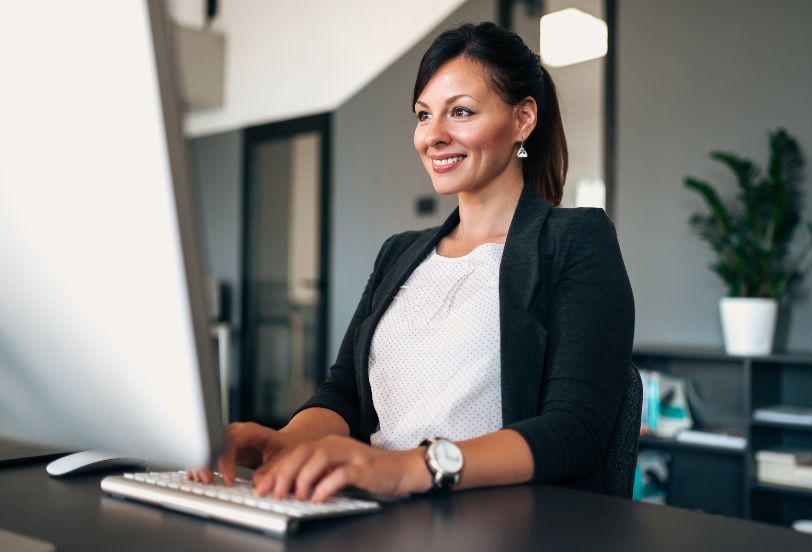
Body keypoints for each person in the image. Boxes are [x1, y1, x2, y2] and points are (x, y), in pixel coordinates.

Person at [192, 21, 634, 502]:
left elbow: (574, 432)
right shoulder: (399, 253)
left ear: (523, 118)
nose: (433, 136)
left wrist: (410, 468)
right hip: (374, 509)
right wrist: (285, 441)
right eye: (423, 115)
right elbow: (344, 393)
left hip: (494, 519)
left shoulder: (575, 239)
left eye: (460, 112)